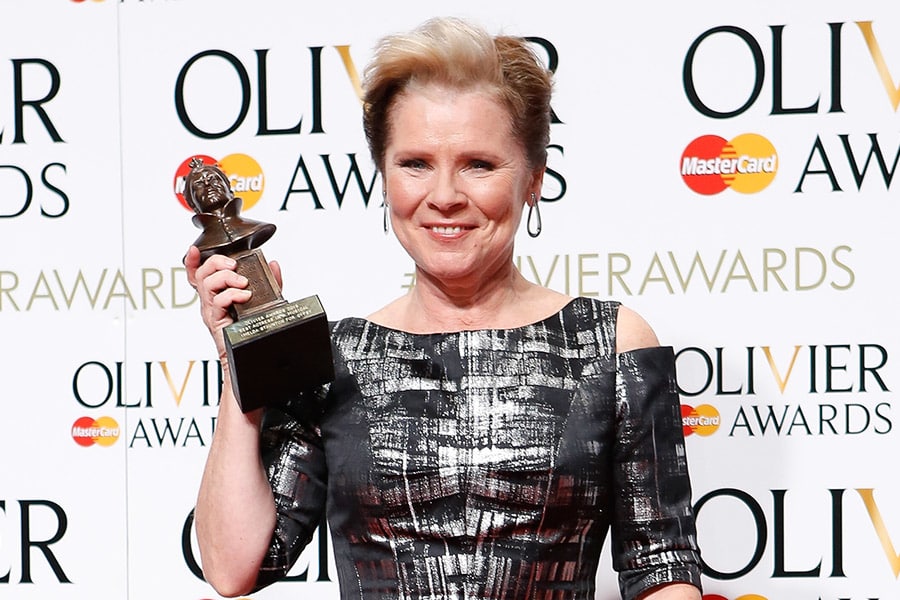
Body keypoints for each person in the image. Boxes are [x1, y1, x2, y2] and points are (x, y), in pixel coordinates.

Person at [185, 16, 703, 600]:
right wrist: (242, 370)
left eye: (478, 164)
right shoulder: (334, 355)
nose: (445, 196)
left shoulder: (609, 343)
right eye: (416, 164)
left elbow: (663, 568)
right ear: (383, 175)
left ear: (533, 179)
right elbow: (234, 568)